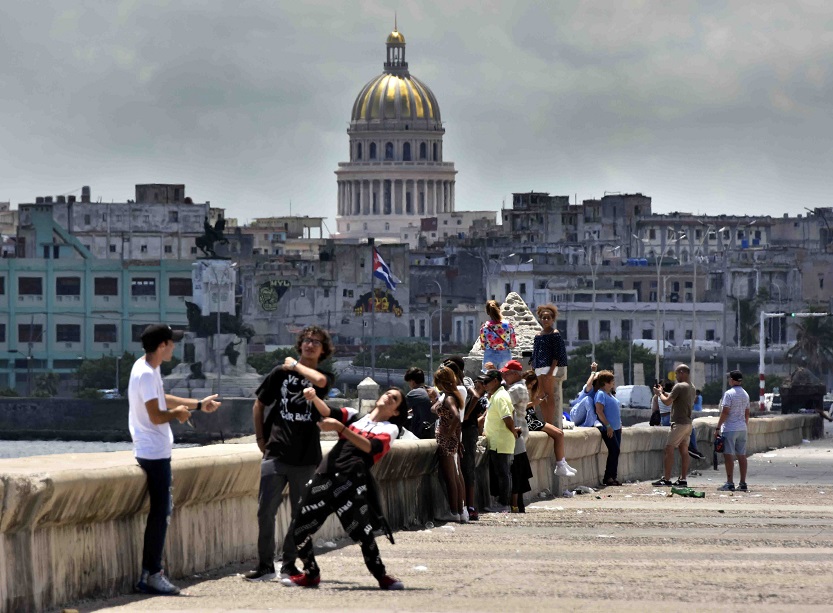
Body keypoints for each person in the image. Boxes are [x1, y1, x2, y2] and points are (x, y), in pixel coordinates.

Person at [282, 388, 408, 590]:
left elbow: (370, 447)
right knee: (299, 528)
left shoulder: (390, 428)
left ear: (396, 412)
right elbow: (328, 412)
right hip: (324, 475)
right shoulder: (354, 417)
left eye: (394, 399)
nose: (388, 396)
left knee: (363, 534)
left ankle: (382, 576)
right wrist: (313, 397)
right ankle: (311, 573)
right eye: (388, 393)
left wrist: (341, 428)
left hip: (351, 481)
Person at [129, 324, 221, 595]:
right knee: (160, 515)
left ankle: (152, 572)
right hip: (153, 453)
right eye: (172, 343)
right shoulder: (146, 373)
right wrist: (178, 413)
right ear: (162, 346)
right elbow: (156, 415)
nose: (175, 347)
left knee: (161, 513)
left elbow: (160, 398)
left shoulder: (147, 368)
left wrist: (195, 404)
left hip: (155, 451)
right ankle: (151, 574)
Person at [245, 326, 334, 582]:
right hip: (276, 452)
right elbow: (259, 404)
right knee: (265, 511)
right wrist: (260, 437)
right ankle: (264, 566)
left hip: (306, 458)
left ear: (323, 349)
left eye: (316, 342)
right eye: (306, 340)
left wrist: (295, 365)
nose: (310, 344)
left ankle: (289, 564)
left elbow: (320, 382)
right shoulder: (279, 374)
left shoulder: (323, 375)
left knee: (300, 515)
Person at [524, 370, 578, 477]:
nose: (530, 386)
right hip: (529, 421)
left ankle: (562, 462)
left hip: (532, 418)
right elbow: (518, 407)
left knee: (559, 433)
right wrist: (534, 402)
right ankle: (560, 465)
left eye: (533, 385)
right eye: (530, 384)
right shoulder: (519, 390)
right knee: (558, 434)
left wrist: (535, 400)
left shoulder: (529, 391)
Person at [652, 364, 696, 488]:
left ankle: (666, 479)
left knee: (669, 448)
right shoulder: (691, 387)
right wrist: (663, 391)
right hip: (688, 424)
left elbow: (667, 401)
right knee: (684, 451)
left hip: (679, 423)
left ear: (682, 373)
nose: (675, 376)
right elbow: (675, 397)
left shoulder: (679, 386)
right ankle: (683, 479)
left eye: (677, 374)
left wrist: (659, 394)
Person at [432, 365, 466, 522]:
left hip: (446, 441)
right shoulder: (453, 395)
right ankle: (459, 512)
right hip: (452, 440)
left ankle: (454, 512)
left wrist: (447, 431)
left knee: (450, 478)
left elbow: (456, 418)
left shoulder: (449, 398)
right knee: (455, 477)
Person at [481, 369, 517, 512]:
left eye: (486, 382)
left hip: (501, 441)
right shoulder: (496, 395)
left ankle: (504, 504)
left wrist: (513, 431)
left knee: (503, 474)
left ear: (495, 381)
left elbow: (507, 417)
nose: (484, 385)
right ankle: (500, 502)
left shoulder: (500, 396)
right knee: (499, 473)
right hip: (496, 441)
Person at [531, 304, 568, 427]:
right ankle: (545, 422)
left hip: (549, 367)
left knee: (549, 394)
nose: (545, 320)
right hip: (539, 367)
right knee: (540, 395)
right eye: (543, 318)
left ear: (552, 320)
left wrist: (551, 370)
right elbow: (535, 352)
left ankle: (550, 422)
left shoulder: (555, 334)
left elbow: (557, 354)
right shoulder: (538, 335)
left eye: (548, 318)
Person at [502, 361, 531, 512]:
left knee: (515, 470)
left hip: (515, 434)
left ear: (515, 374)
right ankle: (517, 504)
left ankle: (515, 504)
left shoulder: (516, 389)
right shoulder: (519, 387)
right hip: (519, 432)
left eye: (506, 374)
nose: (504, 376)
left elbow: (502, 406)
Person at [716, 371, 750, 492]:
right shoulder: (745, 394)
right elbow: (747, 413)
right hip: (742, 428)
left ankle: (730, 482)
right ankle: (743, 482)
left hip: (730, 428)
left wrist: (718, 427)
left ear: (732, 380)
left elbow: (725, 412)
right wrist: (744, 425)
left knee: (728, 455)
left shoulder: (729, 394)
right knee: (742, 455)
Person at [462, 376, 489, 521]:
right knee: (466, 470)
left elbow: (475, 396)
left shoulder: (464, 384)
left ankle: (469, 507)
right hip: (470, 432)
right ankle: (468, 506)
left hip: (466, 432)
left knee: (466, 470)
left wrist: (465, 415)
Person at [593, 371, 622, 487]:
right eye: (612, 381)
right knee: (614, 450)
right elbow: (599, 411)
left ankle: (613, 476)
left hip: (617, 428)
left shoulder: (610, 394)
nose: (613, 383)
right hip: (608, 428)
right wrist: (608, 426)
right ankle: (608, 477)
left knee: (616, 451)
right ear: (605, 383)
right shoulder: (601, 394)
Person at [479, 299, 517, 370]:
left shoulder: (485, 327)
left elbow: (483, 346)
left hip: (490, 356)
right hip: (505, 355)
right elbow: (513, 344)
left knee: (490, 378)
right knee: (505, 378)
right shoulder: (508, 325)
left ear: (487, 312)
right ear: (499, 309)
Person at [403, 367, 434, 439]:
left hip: (420, 433)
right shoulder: (430, 390)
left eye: (409, 382)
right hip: (431, 431)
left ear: (412, 382)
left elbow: (399, 408)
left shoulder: (415, 393)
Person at [688, 389, 706, 460]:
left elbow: (694, 402)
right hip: (700, 409)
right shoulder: (701, 396)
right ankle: (695, 449)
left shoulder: (697, 397)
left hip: (696, 409)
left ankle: (694, 448)